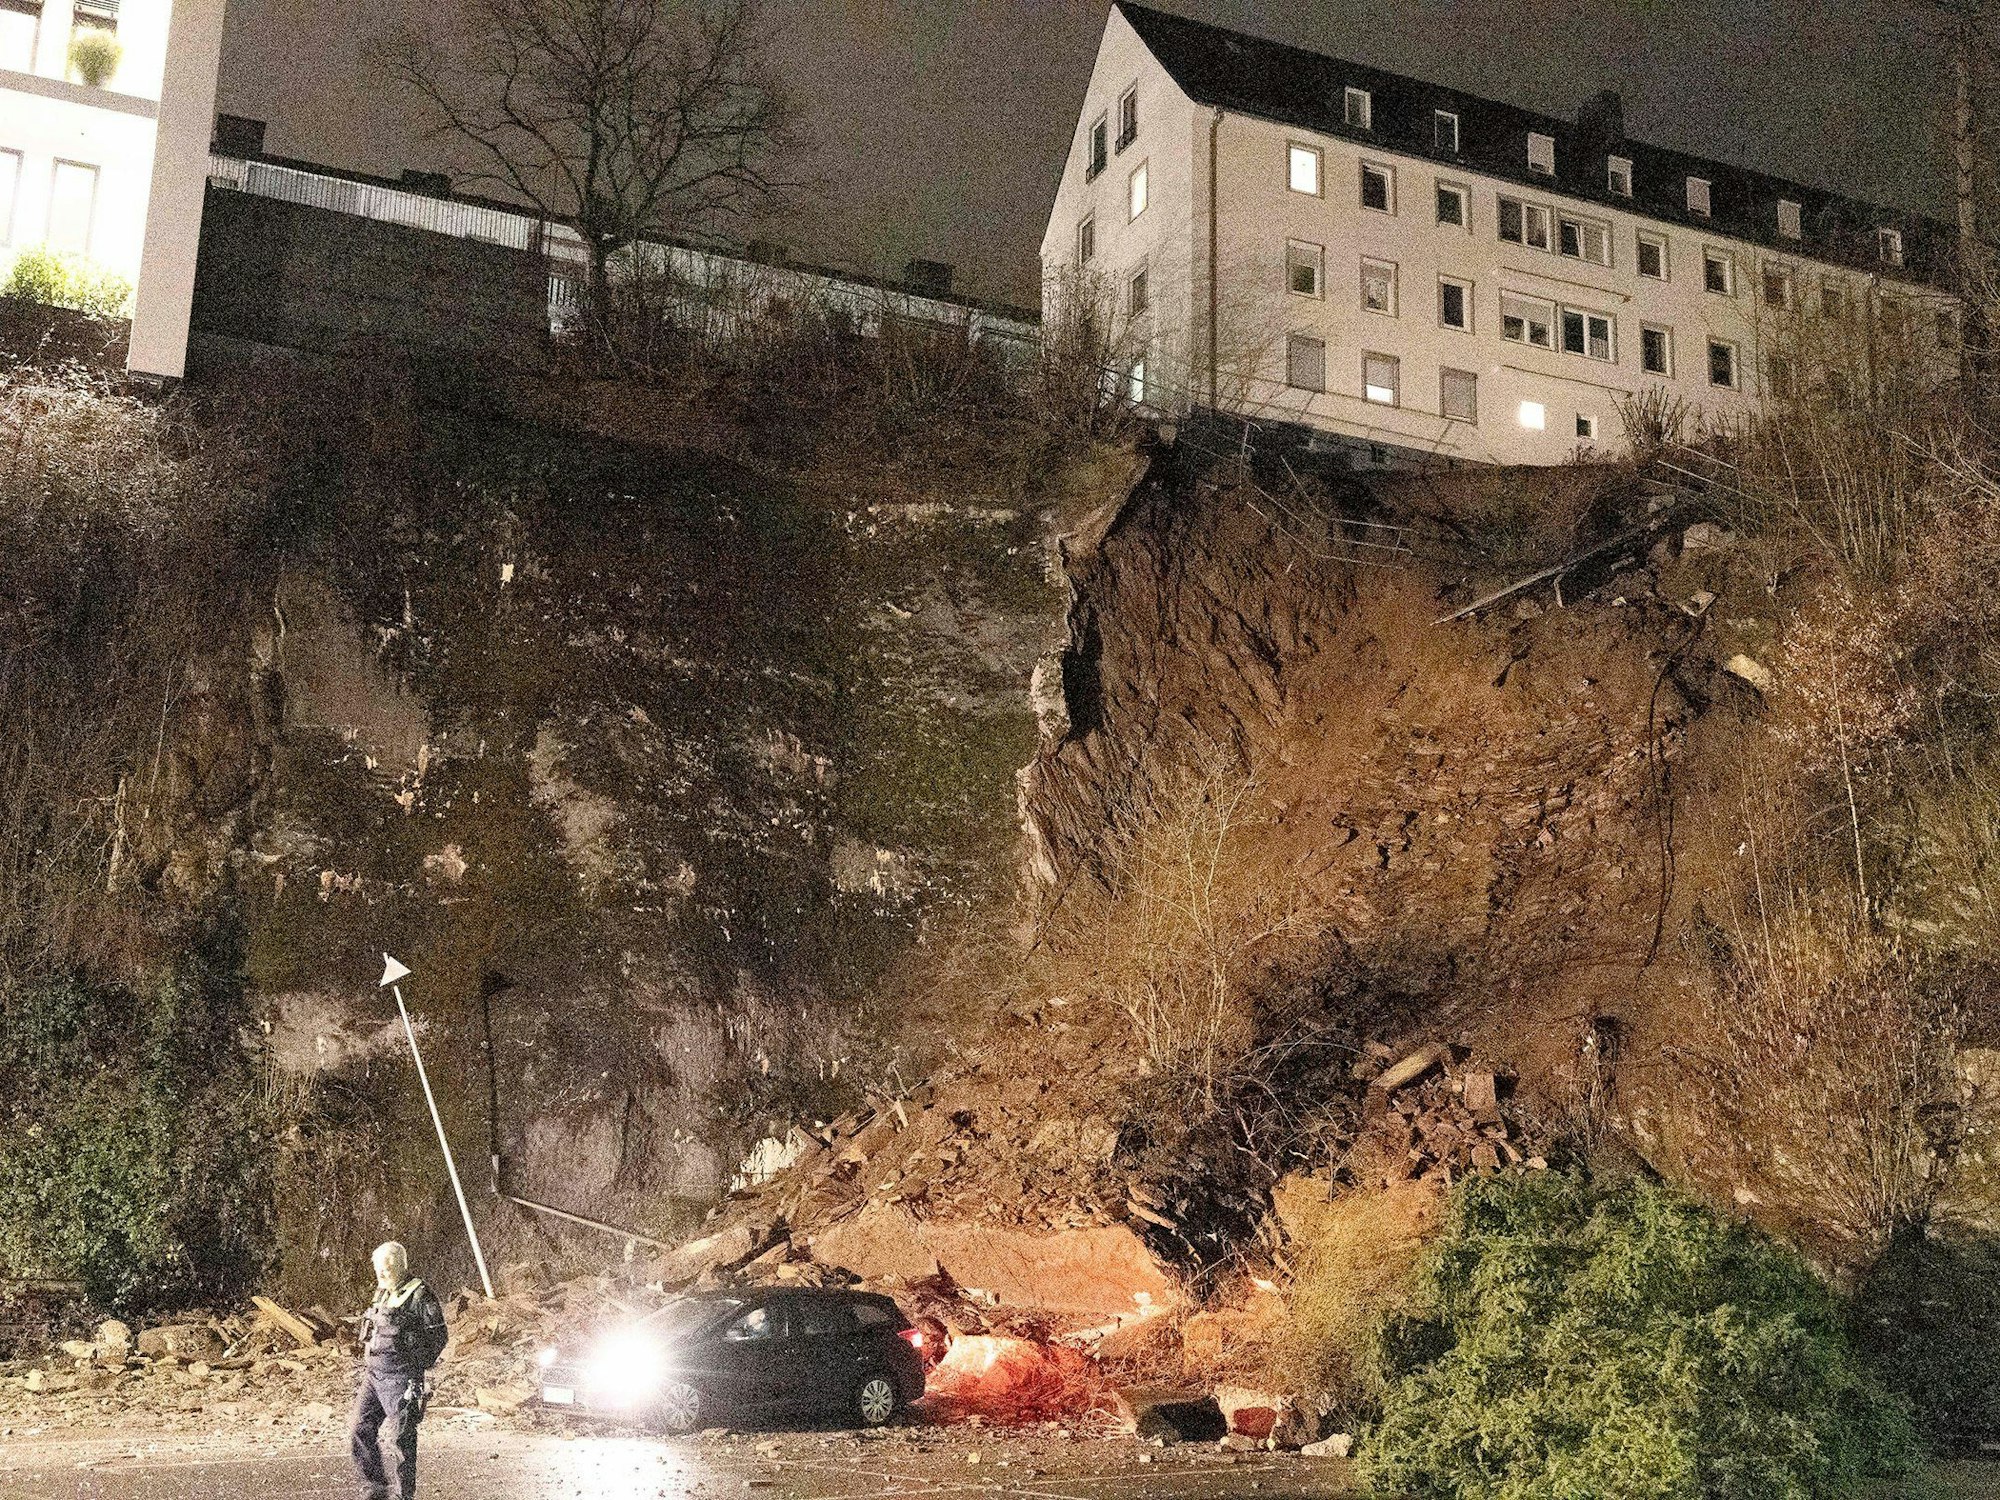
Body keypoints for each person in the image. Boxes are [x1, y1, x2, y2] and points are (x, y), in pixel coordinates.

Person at [350, 1241, 449, 1500]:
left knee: (401, 1440)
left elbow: (439, 1336)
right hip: (373, 1376)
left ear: (401, 1266)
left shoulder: (420, 1295)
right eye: (378, 1269)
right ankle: (376, 1488)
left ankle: (405, 1496)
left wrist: (415, 1369)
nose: (381, 1274)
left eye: (386, 1269)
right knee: (360, 1429)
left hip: (400, 1379)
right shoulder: (381, 1293)